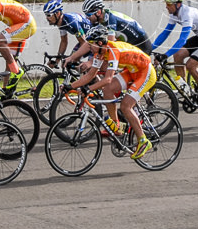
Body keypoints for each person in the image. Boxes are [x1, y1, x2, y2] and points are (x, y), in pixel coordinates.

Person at [67, 25, 156, 160]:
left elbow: (108, 78)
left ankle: (143, 141)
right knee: (107, 90)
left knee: (126, 106)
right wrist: (69, 86)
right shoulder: (99, 52)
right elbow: (90, 75)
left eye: (91, 44)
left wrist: (88, 89)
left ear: (100, 43)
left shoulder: (113, 51)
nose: (89, 47)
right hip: (132, 71)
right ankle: (117, 125)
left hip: (145, 73)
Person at [42, 0, 91, 64]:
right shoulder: (62, 23)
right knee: (70, 61)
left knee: (73, 61)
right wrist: (57, 61)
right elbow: (64, 41)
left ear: (57, 13)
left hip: (92, 40)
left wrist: (73, 59)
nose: (47, 18)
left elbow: (84, 43)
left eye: (49, 15)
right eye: (46, 15)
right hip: (87, 40)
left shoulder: (70, 22)